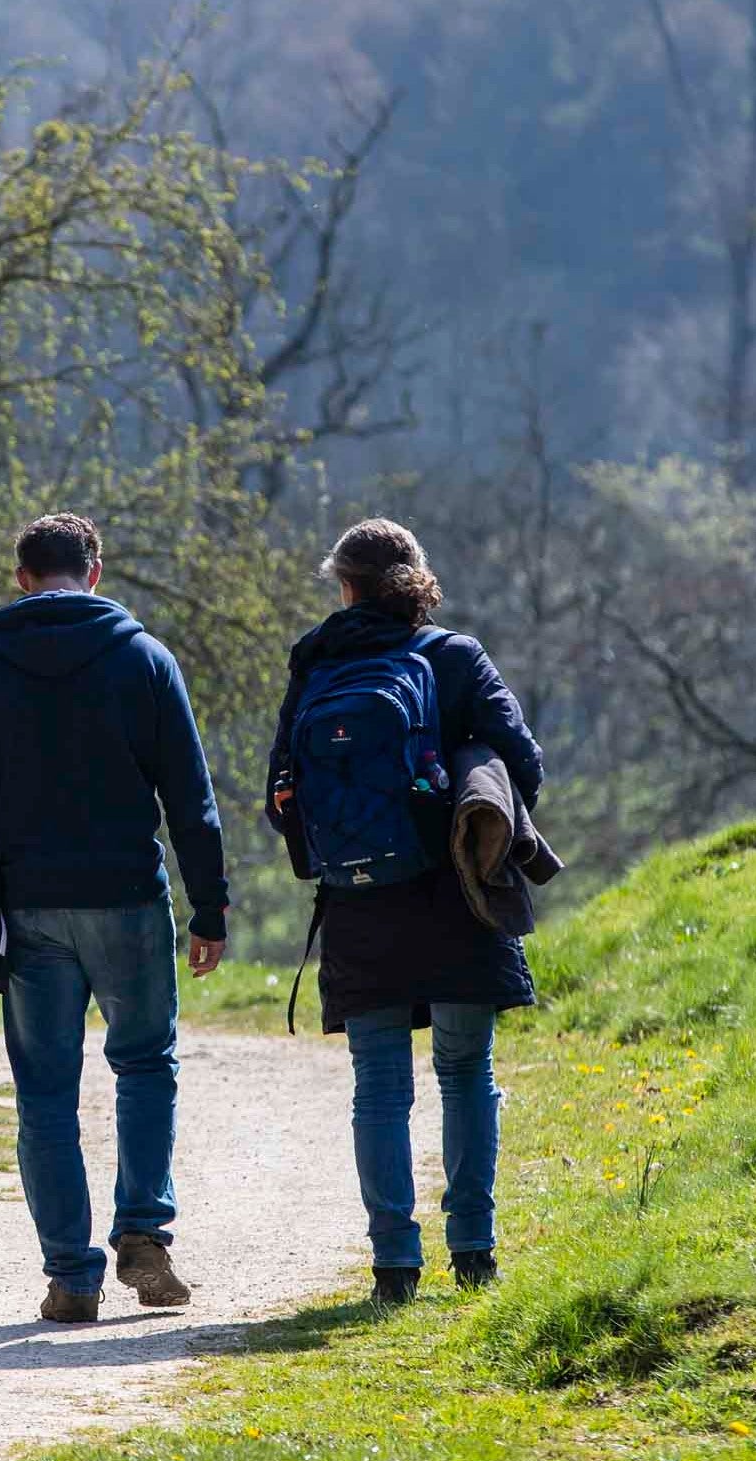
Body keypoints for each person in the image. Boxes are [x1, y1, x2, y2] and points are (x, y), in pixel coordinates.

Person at [0, 512, 230, 1323]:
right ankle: (144, 1236)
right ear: (95, 571)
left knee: (45, 1093)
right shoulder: (144, 659)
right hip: (127, 894)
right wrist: (210, 906)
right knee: (145, 1064)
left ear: (21, 577)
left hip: (31, 907)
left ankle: (72, 1277)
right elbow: (190, 800)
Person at [269, 518, 543, 1311]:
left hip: (359, 903)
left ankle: (394, 1266)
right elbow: (524, 766)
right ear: (416, 580)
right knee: (465, 1073)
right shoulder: (454, 657)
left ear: (344, 585)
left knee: (379, 1088)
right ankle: (475, 1252)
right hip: (457, 894)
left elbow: (279, 796)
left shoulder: (315, 662)